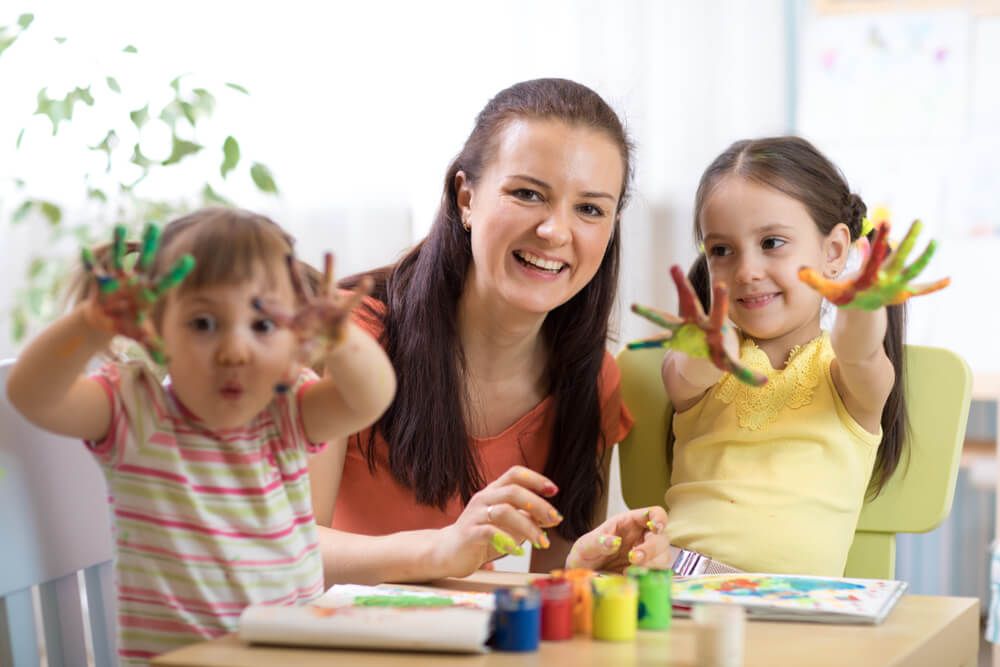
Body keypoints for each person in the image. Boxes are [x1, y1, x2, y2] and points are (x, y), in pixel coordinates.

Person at [308, 78, 671, 584]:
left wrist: (586, 570)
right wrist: (441, 550)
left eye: (590, 208)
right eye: (527, 193)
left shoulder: (591, 380)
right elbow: (285, 551)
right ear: (466, 197)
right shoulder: (349, 342)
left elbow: (552, 596)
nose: (555, 231)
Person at [5, 208, 396, 664]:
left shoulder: (287, 411)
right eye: (203, 324)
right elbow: (31, 394)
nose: (233, 350)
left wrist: (339, 336)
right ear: (155, 329)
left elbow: (371, 397)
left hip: (288, 655)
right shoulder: (137, 409)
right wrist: (93, 323)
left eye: (262, 325)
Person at [652, 136, 946, 576]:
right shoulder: (702, 368)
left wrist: (862, 305)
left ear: (833, 253)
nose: (747, 270)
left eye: (771, 243)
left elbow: (858, 348)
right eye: (721, 251)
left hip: (803, 606)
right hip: (684, 580)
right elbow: (691, 367)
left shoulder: (849, 374)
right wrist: (712, 342)